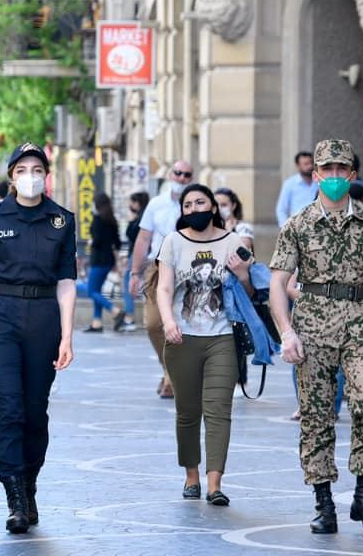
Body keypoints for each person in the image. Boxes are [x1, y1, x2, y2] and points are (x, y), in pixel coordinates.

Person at [270, 139, 363, 535]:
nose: (332, 177)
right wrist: (286, 333)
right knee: (316, 415)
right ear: (315, 175)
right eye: (325, 170)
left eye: (339, 170)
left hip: (362, 324)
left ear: (352, 174)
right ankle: (323, 502)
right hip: (312, 325)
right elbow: (278, 284)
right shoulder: (297, 224)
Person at [0, 142, 76, 534]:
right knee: (7, 409)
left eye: (37, 168)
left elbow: (66, 283)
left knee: (34, 412)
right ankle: (14, 495)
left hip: (43, 319)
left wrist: (67, 337)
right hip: (0, 318)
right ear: (12, 176)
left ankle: (29, 481)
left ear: (46, 174)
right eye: (23, 169)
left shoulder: (61, 220)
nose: (31, 175)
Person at [155, 183, 250, 506]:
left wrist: (244, 275)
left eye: (201, 202)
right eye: (188, 205)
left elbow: (249, 294)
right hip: (182, 338)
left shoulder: (232, 241)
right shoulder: (172, 242)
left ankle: (214, 483)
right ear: (182, 212)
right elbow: (164, 289)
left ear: (214, 207)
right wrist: (169, 323)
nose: (195, 209)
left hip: (221, 337)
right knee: (187, 412)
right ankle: (191, 476)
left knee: (219, 410)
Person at [129, 161, 195, 398]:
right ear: (170, 175)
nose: (182, 178)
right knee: (154, 324)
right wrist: (135, 273)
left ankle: (173, 376)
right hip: (157, 269)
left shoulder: (197, 204)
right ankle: (168, 369)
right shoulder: (156, 204)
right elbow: (143, 239)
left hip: (189, 271)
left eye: (187, 175)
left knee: (183, 326)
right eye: (178, 173)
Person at [84, 191, 124, 332]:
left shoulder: (97, 219)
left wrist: (92, 241)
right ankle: (97, 323)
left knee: (91, 291)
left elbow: (97, 241)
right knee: (97, 290)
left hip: (98, 260)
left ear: (97, 204)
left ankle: (115, 310)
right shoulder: (112, 220)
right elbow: (118, 243)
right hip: (108, 261)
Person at [120, 191, 149, 332]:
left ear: (138, 203)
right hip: (141, 254)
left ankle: (130, 317)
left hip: (138, 255)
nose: (130, 205)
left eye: (132, 202)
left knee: (128, 283)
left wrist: (131, 220)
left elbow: (133, 236)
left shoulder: (141, 218)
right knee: (146, 285)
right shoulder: (143, 216)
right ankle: (146, 317)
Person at [276, 151, 317, 227]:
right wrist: (285, 228)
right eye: (306, 164)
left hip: (318, 226)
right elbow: (281, 209)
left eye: (311, 163)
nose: (310, 166)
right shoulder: (290, 184)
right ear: (298, 166)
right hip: (297, 227)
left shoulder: (319, 182)